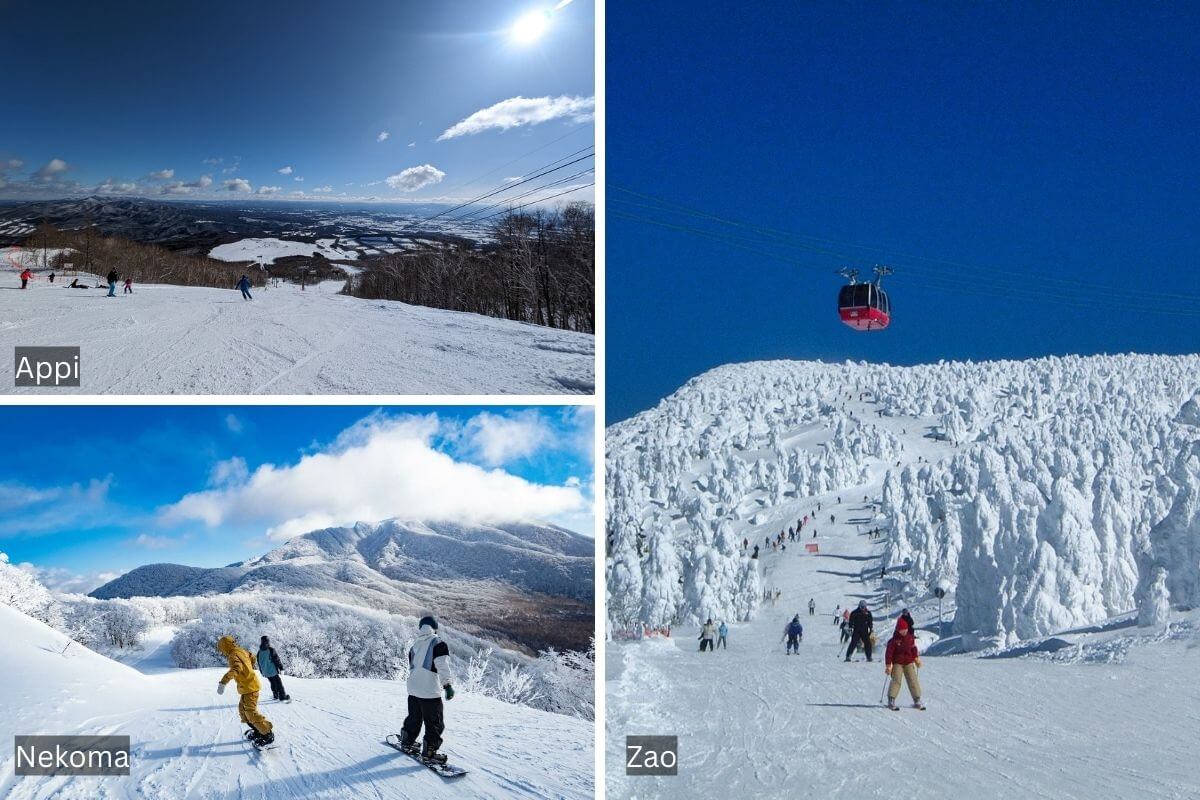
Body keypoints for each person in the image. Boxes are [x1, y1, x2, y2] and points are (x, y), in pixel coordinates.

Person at [399, 615, 455, 764]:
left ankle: (407, 740)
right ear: (434, 628)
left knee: (414, 718)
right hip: (429, 691)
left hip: (413, 689)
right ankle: (429, 751)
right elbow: (442, 666)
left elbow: (412, 667)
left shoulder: (414, 645)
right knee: (434, 723)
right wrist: (447, 685)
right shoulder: (438, 643)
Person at [216, 635, 274, 746]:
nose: (222, 653)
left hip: (250, 687)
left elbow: (237, 668)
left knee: (250, 713)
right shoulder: (240, 650)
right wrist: (248, 668)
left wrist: (223, 682)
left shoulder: (233, 655)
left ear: (225, 647)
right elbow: (252, 657)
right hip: (247, 687)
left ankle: (267, 734)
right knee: (243, 711)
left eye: (222, 650)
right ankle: (258, 731)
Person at [885, 617, 925, 710]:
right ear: (898, 630)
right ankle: (891, 699)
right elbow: (889, 653)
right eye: (902, 630)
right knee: (896, 680)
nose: (904, 631)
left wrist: (916, 659)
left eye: (906, 629)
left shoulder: (910, 638)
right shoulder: (893, 641)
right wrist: (888, 665)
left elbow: (913, 648)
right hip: (897, 663)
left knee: (913, 679)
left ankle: (917, 699)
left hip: (908, 662)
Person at [256, 636, 290, 701]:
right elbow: (276, 659)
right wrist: (281, 668)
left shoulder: (259, 652)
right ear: (268, 641)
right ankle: (282, 696)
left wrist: (262, 672)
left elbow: (259, 663)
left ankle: (275, 695)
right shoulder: (271, 650)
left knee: (272, 682)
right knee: (278, 682)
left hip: (266, 672)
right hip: (273, 670)